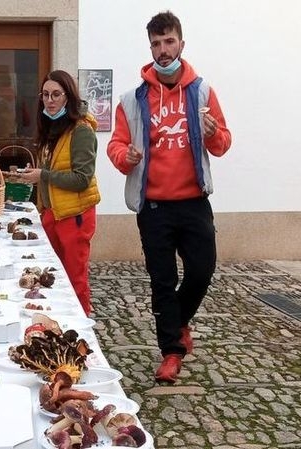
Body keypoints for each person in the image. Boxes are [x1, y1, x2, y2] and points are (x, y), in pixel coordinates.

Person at [106, 11, 232, 383]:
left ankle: (178, 324)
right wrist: (123, 157)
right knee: (161, 281)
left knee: (201, 271)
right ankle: (171, 353)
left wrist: (211, 134)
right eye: (156, 44)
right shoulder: (133, 99)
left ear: (181, 43)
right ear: (150, 48)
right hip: (154, 207)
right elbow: (115, 145)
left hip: (194, 202)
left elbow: (223, 144)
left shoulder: (203, 92)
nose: (163, 50)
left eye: (169, 42)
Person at [18, 70, 100, 318]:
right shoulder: (52, 129)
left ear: (68, 97)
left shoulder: (81, 131)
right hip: (53, 213)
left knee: (75, 278)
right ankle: (58, 321)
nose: (50, 100)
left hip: (75, 215)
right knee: (54, 275)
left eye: (56, 94)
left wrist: (42, 175)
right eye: (45, 95)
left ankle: (80, 328)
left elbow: (82, 179)